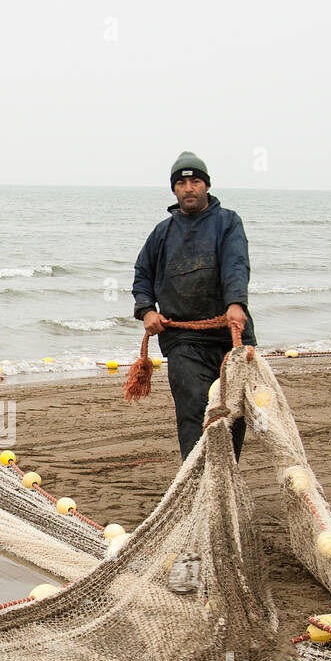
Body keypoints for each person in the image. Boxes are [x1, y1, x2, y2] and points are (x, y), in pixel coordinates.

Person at [132, 152, 257, 462]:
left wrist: (236, 303)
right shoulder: (162, 232)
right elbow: (142, 274)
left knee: (232, 410)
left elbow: (236, 265)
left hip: (230, 333)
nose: (189, 188)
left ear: (207, 186)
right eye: (182, 183)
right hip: (184, 340)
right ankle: (196, 480)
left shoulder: (228, 222)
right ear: (174, 190)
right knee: (193, 409)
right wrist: (147, 310)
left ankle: (226, 474)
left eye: (195, 182)